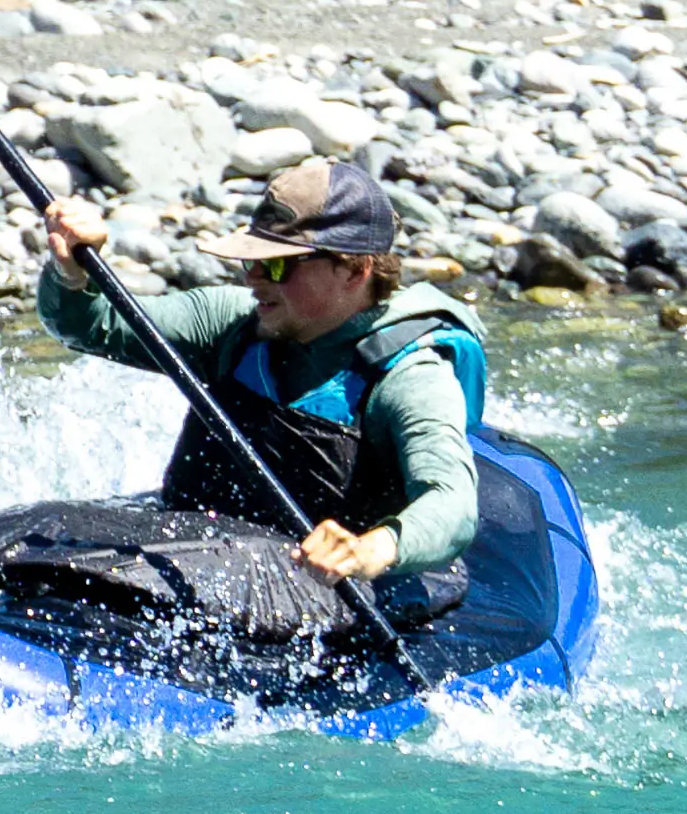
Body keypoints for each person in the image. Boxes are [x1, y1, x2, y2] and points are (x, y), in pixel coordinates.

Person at [33, 157, 484, 624]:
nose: (253, 278)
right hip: (208, 552)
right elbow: (90, 325)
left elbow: (452, 504)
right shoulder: (230, 324)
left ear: (355, 271)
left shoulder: (411, 378)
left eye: (278, 266)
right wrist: (72, 273)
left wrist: (370, 550)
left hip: (328, 587)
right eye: (253, 260)